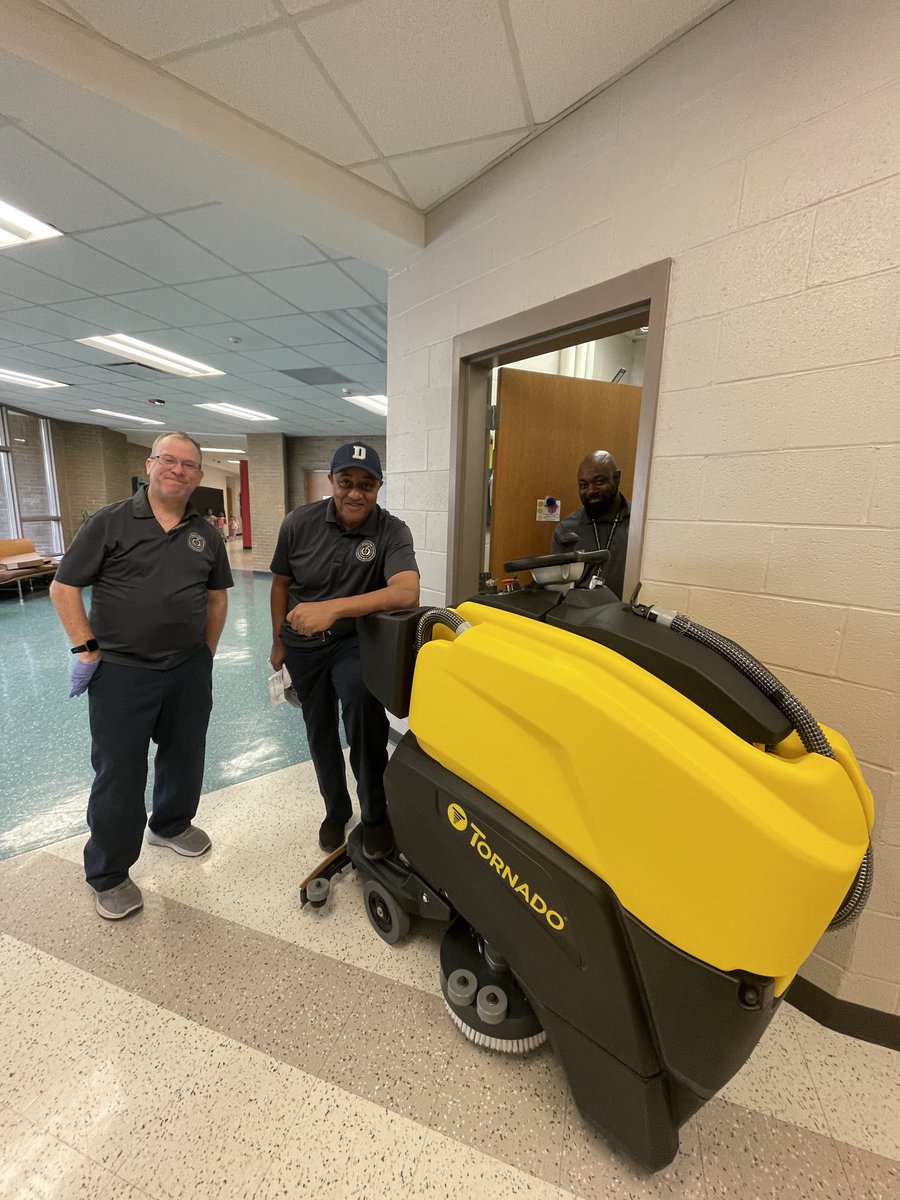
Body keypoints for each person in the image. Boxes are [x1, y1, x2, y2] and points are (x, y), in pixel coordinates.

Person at [49, 433, 233, 920]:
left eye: (189, 464)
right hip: (122, 672)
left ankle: (171, 824)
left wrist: (204, 655)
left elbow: (217, 598)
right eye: (168, 460)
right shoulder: (110, 522)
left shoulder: (207, 534)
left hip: (187, 669)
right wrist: (86, 650)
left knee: (185, 753)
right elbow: (64, 588)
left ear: (197, 475)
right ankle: (108, 872)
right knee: (120, 771)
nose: (178, 469)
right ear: (150, 465)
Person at [269, 442, 419, 860]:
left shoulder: (392, 530)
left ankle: (374, 814)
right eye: (346, 482)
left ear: (378, 487)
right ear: (332, 481)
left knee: (364, 724)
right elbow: (281, 583)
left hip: (355, 643)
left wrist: (333, 609)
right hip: (302, 647)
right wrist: (278, 641)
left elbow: (406, 591)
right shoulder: (299, 523)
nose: (356, 493)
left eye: (366, 485)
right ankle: (336, 808)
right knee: (318, 731)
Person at [550, 449, 630, 599]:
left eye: (600, 482)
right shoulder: (566, 530)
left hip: (627, 617)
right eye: (584, 485)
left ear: (617, 478)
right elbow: (556, 589)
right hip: (576, 617)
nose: (591, 490)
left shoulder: (640, 526)